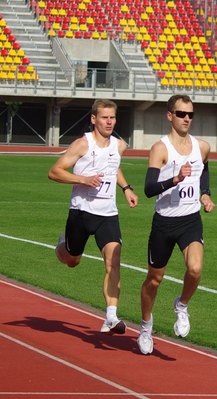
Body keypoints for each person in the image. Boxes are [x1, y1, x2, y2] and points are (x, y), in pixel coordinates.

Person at [48, 99, 138, 335]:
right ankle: (61, 247)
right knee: (72, 260)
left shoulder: (119, 145)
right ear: (94, 119)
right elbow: (55, 171)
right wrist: (83, 179)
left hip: (107, 214)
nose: (109, 122)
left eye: (113, 118)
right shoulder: (81, 144)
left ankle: (110, 315)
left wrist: (126, 187)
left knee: (113, 261)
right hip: (81, 212)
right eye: (104, 117)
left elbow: (114, 166)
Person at [138, 94, 214, 355]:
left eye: (190, 114)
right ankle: (146, 326)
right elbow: (148, 189)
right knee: (154, 280)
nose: (187, 119)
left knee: (195, 269)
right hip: (164, 223)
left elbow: (204, 168)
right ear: (170, 115)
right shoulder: (160, 149)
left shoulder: (201, 146)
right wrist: (175, 179)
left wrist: (205, 193)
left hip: (190, 220)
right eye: (182, 114)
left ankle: (181, 305)